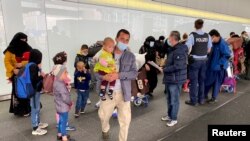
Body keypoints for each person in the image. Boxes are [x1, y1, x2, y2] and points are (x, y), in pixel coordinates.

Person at [98, 29, 137, 141]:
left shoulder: (130, 56)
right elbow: (95, 71)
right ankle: (105, 129)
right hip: (107, 92)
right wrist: (103, 77)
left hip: (124, 93)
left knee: (125, 120)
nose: (124, 42)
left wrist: (119, 75)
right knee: (103, 116)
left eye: (127, 40)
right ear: (116, 39)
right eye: (122, 39)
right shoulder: (105, 52)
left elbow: (134, 73)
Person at [161, 31, 188, 127]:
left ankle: (174, 118)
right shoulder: (173, 49)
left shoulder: (179, 50)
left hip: (175, 79)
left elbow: (178, 66)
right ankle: (169, 115)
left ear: (173, 39)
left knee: (174, 100)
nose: (168, 40)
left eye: (169, 38)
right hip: (171, 78)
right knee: (169, 98)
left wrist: (165, 69)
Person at [3, 32, 32, 116]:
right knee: (18, 91)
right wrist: (13, 69)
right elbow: (7, 61)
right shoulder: (10, 50)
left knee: (27, 89)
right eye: (21, 40)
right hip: (15, 73)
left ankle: (30, 108)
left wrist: (22, 64)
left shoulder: (28, 48)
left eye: (25, 39)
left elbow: (32, 59)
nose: (24, 41)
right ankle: (21, 110)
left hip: (26, 72)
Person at [185, 19, 212, 106]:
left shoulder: (192, 36)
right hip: (204, 61)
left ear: (195, 25)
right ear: (202, 25)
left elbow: (187, 48)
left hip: (194, 61)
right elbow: (209, 49)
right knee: (202, 81)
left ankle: (193, 101)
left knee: (193, 81)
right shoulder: (207, 36)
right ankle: (201, 100)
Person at [52, 52, 75, 141]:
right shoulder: (61, 85)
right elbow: (65, 97)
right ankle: (64, 138)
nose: (67, 74)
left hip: (58, 105)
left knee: (60, 121)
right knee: (63, 122)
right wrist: (70, 103)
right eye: (65, 73)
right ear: (60, 74)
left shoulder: (56, 81)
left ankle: (59, 134)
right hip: (63, 107)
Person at [205, 29, 231, 103]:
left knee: (217, 83)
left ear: (217, 36)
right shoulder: (213, 44)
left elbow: (227, 55)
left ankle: (214, 98)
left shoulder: (223, 44)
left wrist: (219, 63)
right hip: (210, 67)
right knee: (207, 81)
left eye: (212, 38)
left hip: (219, 68)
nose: (211, 40)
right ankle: (204, 95)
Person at [26, 49, 48, 135]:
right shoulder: (33, 66)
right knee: (35, 108)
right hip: (34, 91)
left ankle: (38, 123)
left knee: (37, 106)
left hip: (35, 90)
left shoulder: (31, 65)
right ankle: (35, 128)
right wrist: (42, 78)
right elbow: (34, 79)